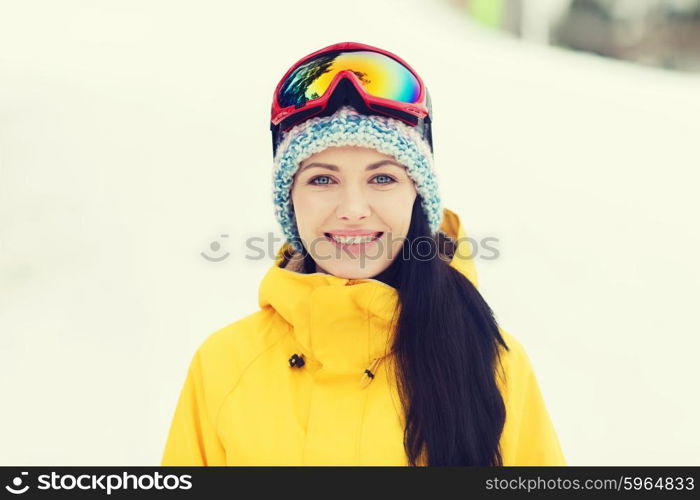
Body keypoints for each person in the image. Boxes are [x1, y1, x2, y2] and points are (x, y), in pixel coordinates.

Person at [160, 41, 566, 466]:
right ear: (290, 199)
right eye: (322, 180)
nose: (353, 210)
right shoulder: (224, 364)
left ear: (416, 194)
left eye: (382, 179)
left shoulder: (492, 364)